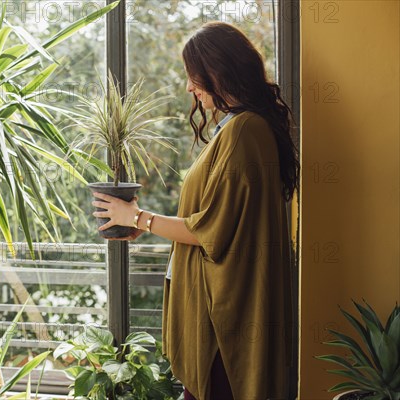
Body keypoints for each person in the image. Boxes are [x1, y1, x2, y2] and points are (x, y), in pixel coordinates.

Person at [91, 22, 298, 400]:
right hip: (222, 312)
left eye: (194, 77)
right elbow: (216, 221)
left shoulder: (244, 131)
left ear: (220, 72)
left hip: (225, 321)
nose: (189, 87)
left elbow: (211, 232)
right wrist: (145, 222)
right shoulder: (239, 128)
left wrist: (135, 217)